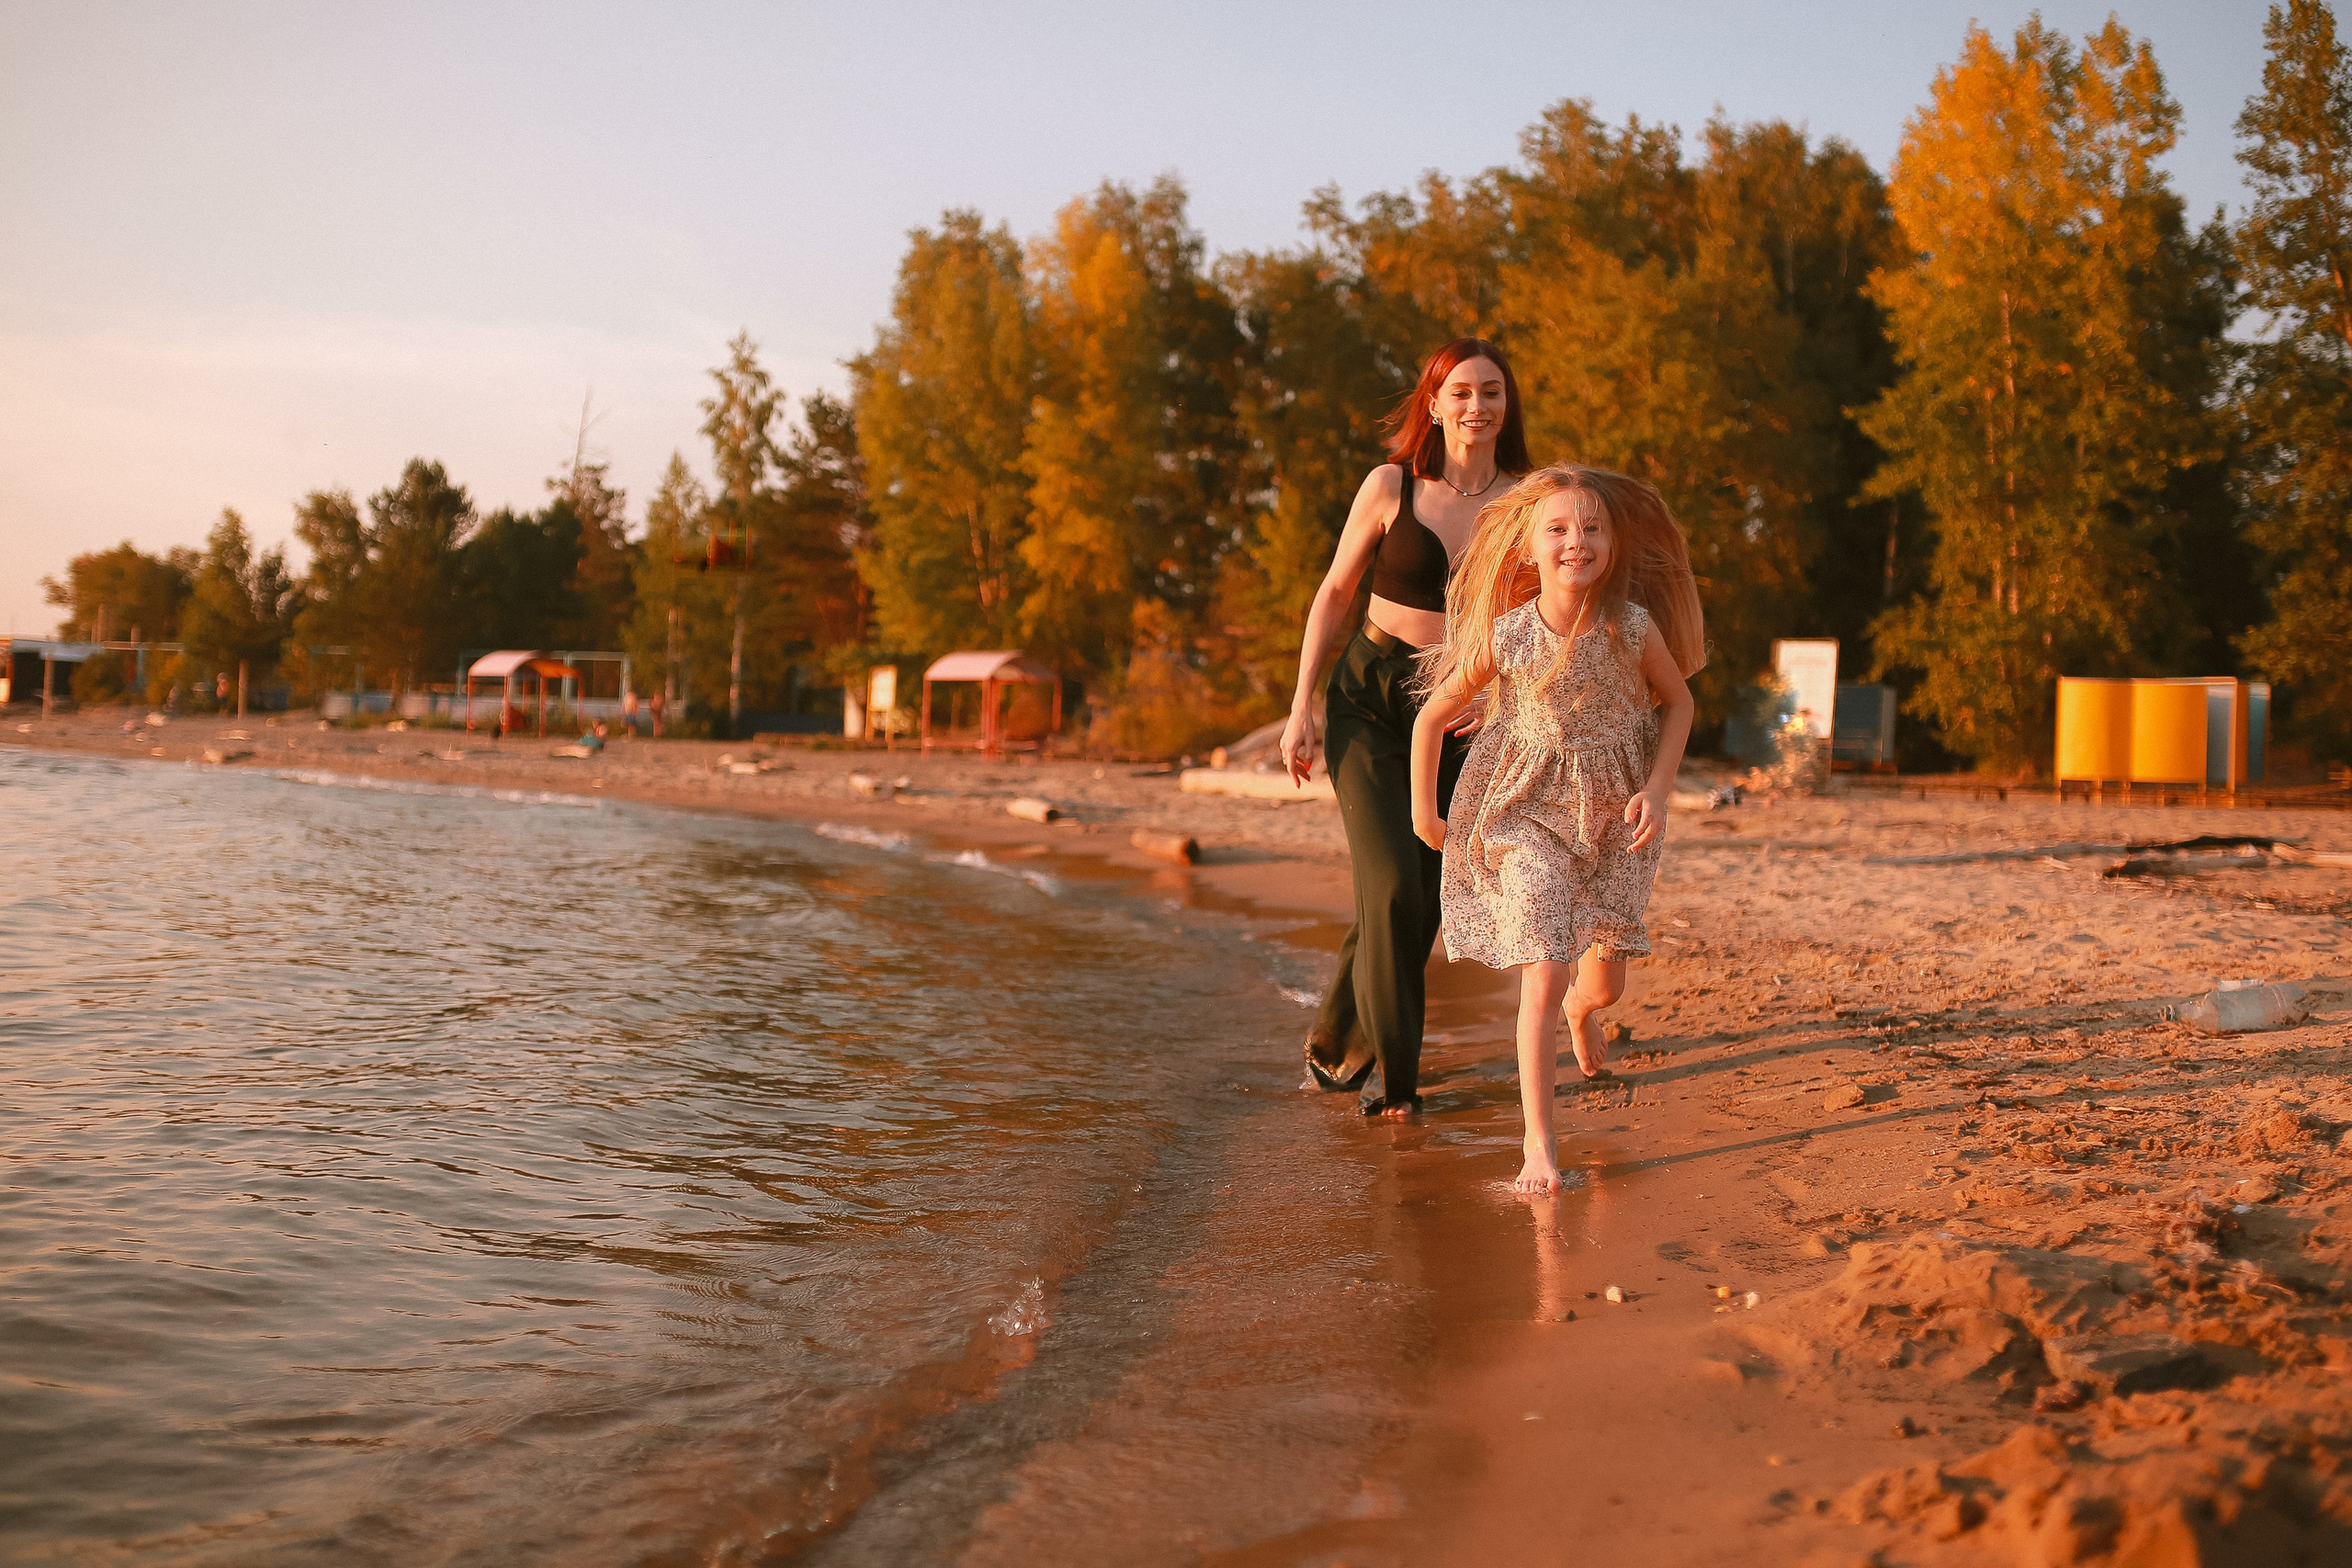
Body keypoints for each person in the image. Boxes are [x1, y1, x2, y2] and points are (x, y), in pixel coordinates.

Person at [1408, 466, 1705, 1191]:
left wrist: (1659, 790)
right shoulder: (1508, 636)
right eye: (1560, 529)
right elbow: (1431, 717)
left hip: (1615, 819)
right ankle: (1538, 1144)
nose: (1578, 541)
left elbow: (1681, 704)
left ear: (1612, 541)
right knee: (1543, 967)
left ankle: (1584, 1008)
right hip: (1527, 815)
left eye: (1593, 527)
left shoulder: (1633, 626)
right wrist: (1425, 810)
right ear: (1530, 550)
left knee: (1602, 984)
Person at [1278, 338, 1533, 1115]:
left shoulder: (1526, 501)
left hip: (1461, 708)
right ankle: (1399, 1089)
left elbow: (1535, 612)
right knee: (1391, 887)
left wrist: (1509, 696)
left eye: (1491, 392)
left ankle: (1334, 1044)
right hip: (1369, 699)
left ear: (1506, 406)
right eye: (1460, 391)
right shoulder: (1392, 485)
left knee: (1422, 898)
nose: (1476, 406)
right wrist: (1302, 704)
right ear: (1434, 404)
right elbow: (1333, 593)